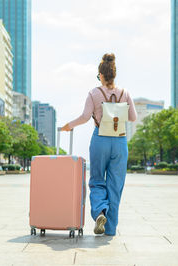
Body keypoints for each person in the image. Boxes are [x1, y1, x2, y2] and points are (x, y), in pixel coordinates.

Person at [61, 53, 137, 236]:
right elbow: (133, 117)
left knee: (96, 181)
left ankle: (100, 212)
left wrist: (68, 126)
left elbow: (85, 117)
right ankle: (110, 229)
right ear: (114, 74)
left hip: (100, 139)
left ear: (101, 75)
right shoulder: (125, 93)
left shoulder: (94, 93)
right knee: (115, 185)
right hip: (119, 140)